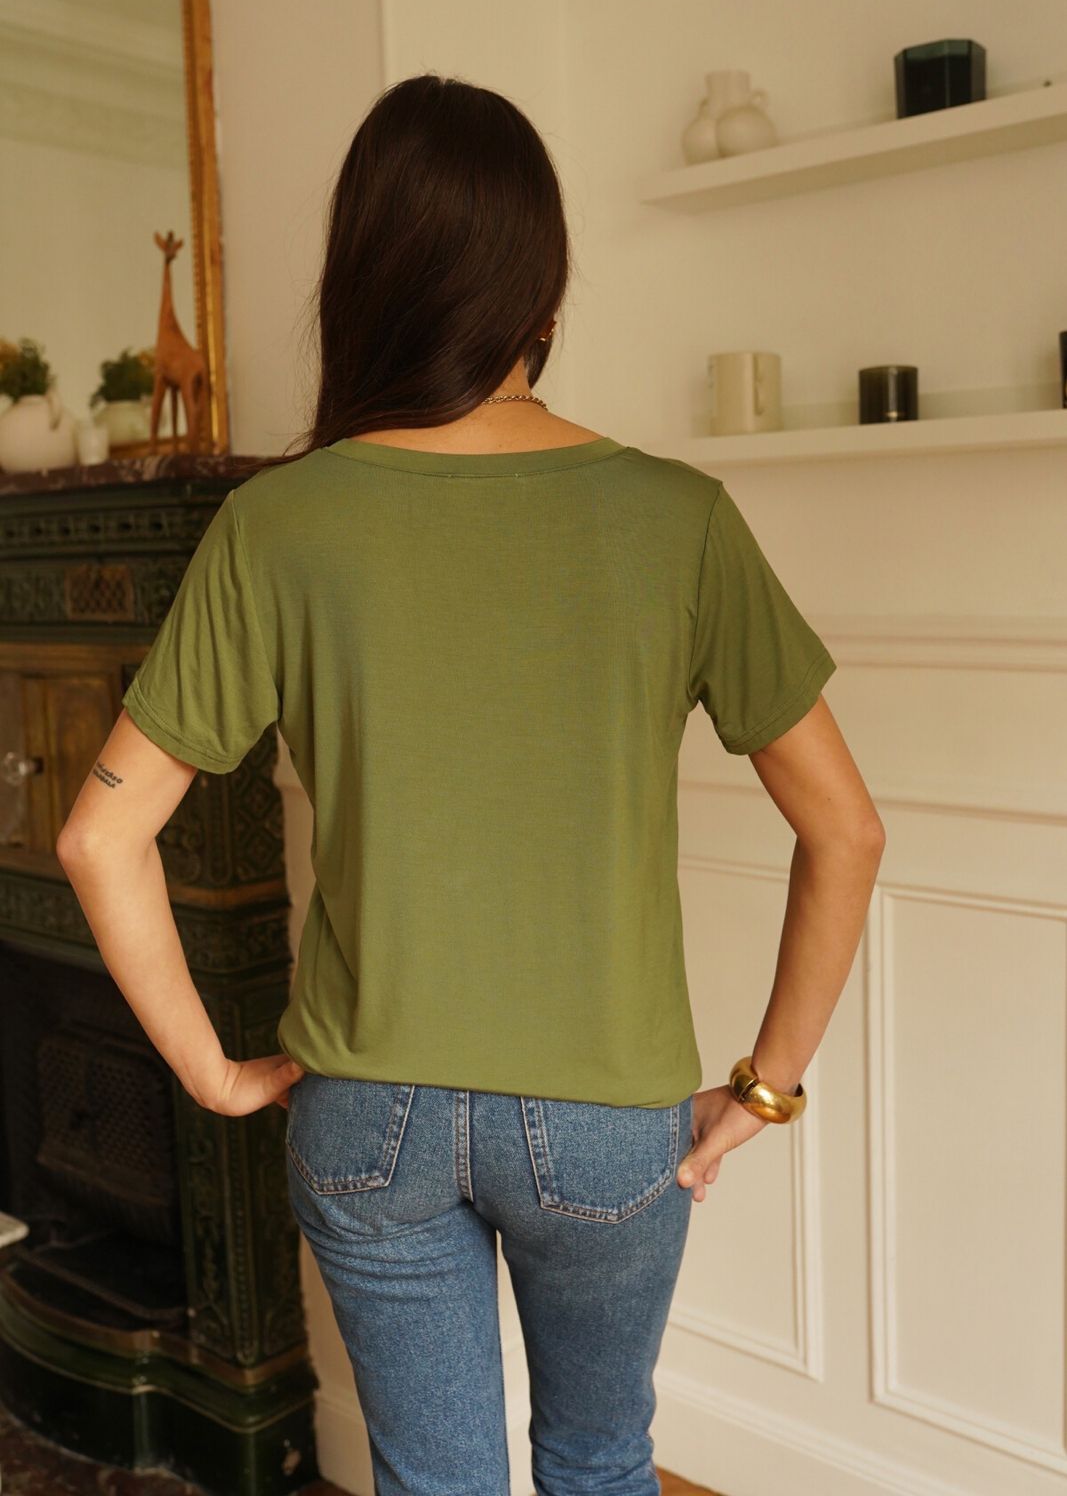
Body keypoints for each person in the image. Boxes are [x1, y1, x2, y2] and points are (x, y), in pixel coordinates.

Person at [57, 73, 885, 1495]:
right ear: (543, 290)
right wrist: (766, 1088)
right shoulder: (677, 518)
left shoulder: (278, 524)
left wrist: (214, 1072)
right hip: (608, 1122)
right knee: (601, 1461)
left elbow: (96, 837)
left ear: (360, 283)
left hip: (363, 1111)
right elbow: (848, 832)